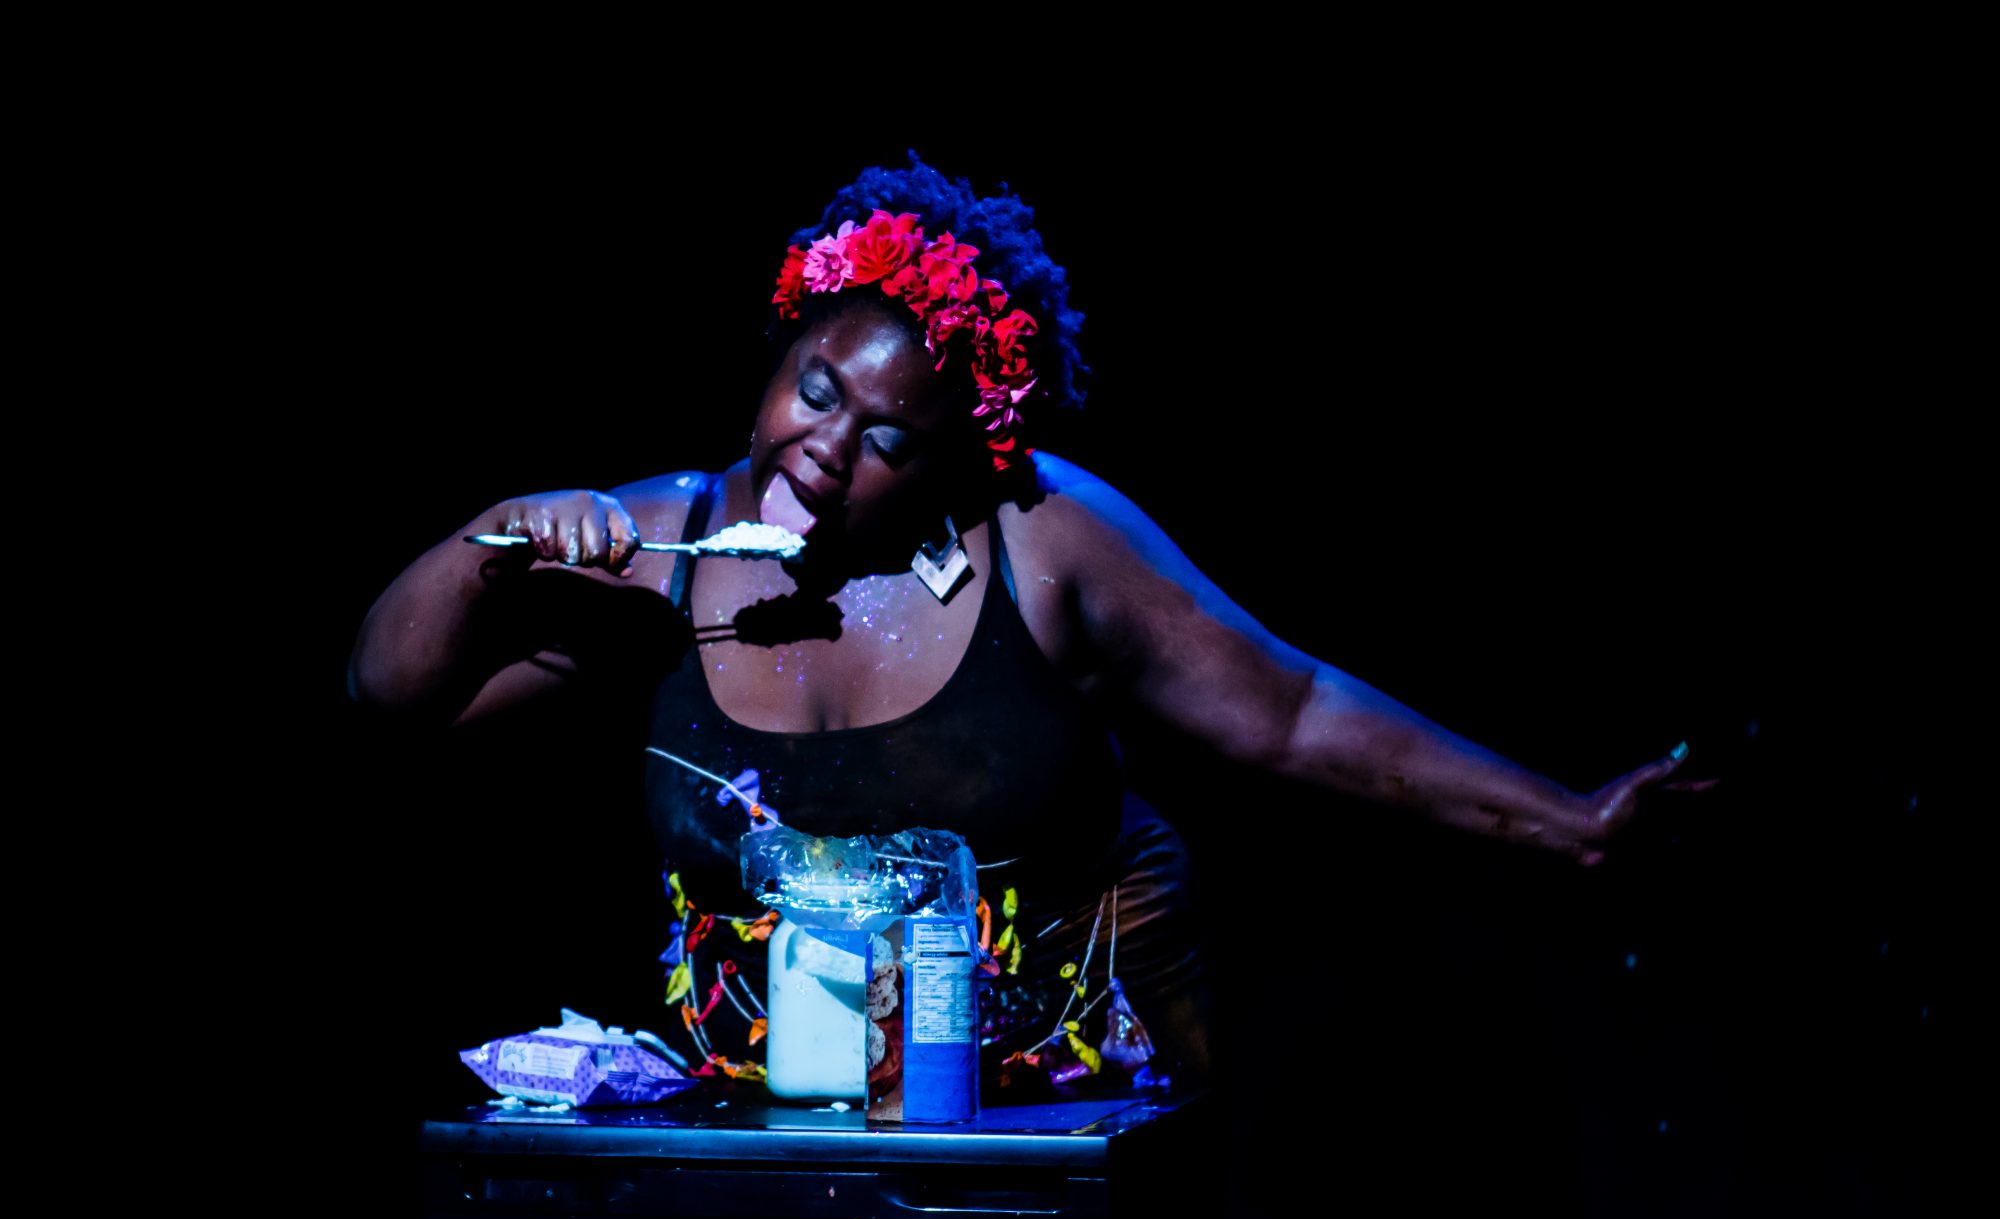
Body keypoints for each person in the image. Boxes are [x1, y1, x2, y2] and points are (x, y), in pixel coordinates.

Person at [348, 150, 1706, 1096]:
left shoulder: (1044, 546)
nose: (829, 449)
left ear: (957, 457)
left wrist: (1566, 822)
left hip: (1072, 1091)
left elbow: (1292, 713)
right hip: (790, 1106)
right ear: (780, 344)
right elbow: (388, 692)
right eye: (816, 389)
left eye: (889, 436)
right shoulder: (668, 540)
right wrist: (502, 538)